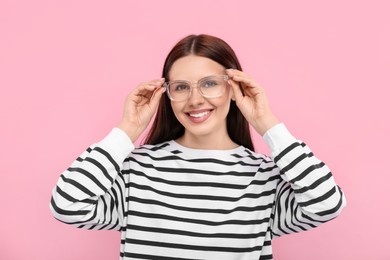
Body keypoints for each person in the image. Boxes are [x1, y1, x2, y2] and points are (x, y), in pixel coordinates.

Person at [50, 34, 346, 259]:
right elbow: (67, 205)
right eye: (181, 87)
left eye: (209, 83)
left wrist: (266, 123)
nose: (195, 99)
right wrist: (127, 130)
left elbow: (327, 204)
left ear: (234, 88)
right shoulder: (135, 171)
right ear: (167, 95)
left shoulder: (265, 179)